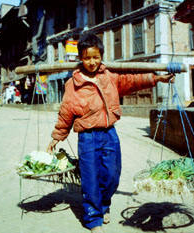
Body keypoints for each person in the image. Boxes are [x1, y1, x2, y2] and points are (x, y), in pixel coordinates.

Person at [46, 33, 174, 233]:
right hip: (87, 137)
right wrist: (57, 137)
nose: (92, 62)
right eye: (87, 58)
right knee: (90, 178)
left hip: (109, 134)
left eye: (96, 57)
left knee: (112, 175)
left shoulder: (109, 77)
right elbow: (66, 111)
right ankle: (93, 219)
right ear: (80, 58)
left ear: (101, 56)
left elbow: (133, 81)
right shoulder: (73, 84)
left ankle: (104, 205)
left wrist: (157, 78)